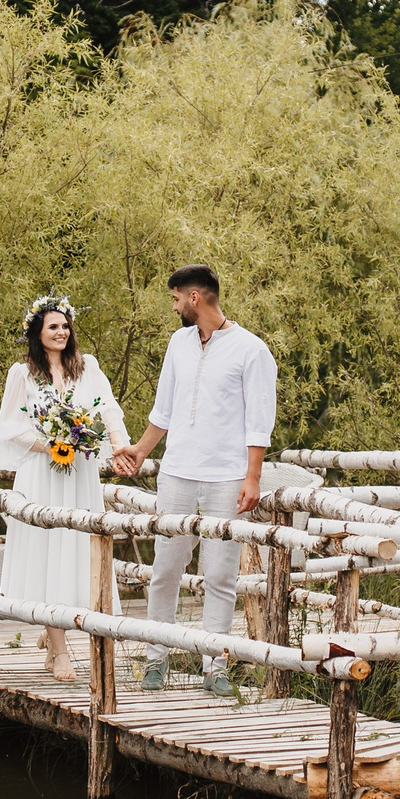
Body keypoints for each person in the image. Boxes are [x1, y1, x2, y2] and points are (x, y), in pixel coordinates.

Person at [108, 265, 276, 700]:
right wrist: (141, 451)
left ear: (196, 298)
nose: (175, 305)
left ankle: (214, 665)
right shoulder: (178, 343)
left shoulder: (251, 350)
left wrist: (252, 477)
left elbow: (259, 422)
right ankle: (155, 659)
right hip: (177, 472)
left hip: (226, 477)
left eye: (177, 297)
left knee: (220, 573)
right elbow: (164, 409)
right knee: (165, 569)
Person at [0, 296, 130, 679]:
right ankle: (59, 651)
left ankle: (55, 630)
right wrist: (52, 444)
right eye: (53, 326)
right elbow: (11, 427)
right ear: (37, 332)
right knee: (45, 551)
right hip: (42, 470)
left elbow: (109, 409)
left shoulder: (87, 368)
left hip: (80, 474)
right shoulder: (22, 374)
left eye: (65, 326)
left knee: (75, 550)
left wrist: (118, 445)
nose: (61, 332)